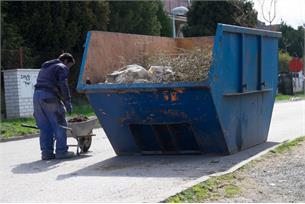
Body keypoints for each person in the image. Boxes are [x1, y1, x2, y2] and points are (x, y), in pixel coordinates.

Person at [33, 53, 75, 160]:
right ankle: (61, 151)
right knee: (60, 124)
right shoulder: (61, 67)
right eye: (69, 65)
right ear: (65, 61)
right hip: (49, 97)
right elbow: (63, 84)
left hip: (37, 97)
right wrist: (68, 101)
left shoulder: (46, 67)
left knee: (45, 127)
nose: (68, 68)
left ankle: (46, 153)